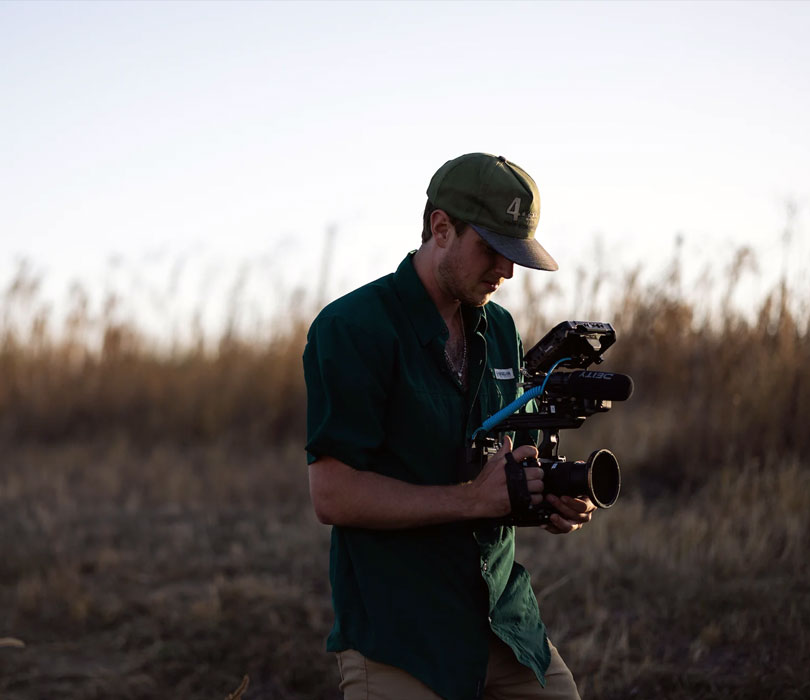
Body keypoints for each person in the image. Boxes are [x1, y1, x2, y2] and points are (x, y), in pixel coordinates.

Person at [303, 153, 595, 700]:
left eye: (515, 256)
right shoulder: (351, 329)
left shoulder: (500, 328)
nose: (506, 273)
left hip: (505, 624)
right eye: (492, 251)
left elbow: (511, 459)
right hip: (401, 638)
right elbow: (333, 495)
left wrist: (551, 497)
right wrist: (471, 500)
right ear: (441, 228)